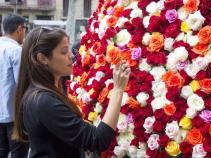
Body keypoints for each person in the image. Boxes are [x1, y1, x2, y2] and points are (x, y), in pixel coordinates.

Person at [13, 27, 131, 158]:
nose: (71, 55)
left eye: (69, 49)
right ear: (42, 58)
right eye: (64, 52)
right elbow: (98, 139)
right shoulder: (43, 101)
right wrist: (118, 90)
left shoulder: (46, 92)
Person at [0, 14, 28, 158]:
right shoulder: (15, 50)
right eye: (25, 29)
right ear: (19, 29)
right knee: (19, 154)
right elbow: (22, 84)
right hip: (14, 116)